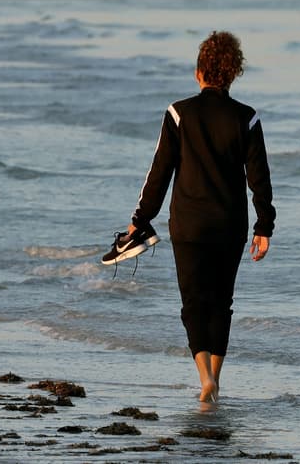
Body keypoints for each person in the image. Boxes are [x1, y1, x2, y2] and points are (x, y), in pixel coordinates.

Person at [115, 31, 275, 404]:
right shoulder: (246, 118)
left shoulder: (178, 113)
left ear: (200, 71)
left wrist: (140, 219)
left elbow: (160, 171)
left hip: (188, 225)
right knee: (222, 302)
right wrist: (264, 225)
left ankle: (204, 376)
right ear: (232, 73)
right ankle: (215, 379)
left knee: (193, 302)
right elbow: (260, 178)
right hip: (230, 224)